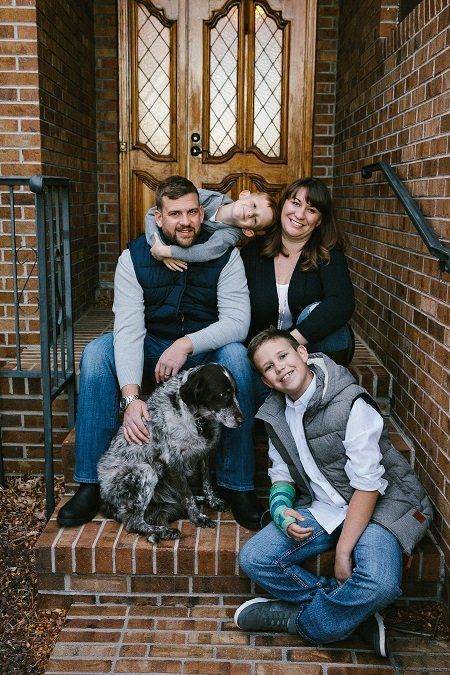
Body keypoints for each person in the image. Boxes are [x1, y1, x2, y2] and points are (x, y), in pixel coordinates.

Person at [57, 176, 264, 531]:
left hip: (202, 352)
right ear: (158, 217)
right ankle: (90, 483)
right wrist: (131, 397)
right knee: (95, 354)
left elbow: (236, 323)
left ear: (202, 213)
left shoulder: (225, 254)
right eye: (175, 214)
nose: (185, 221)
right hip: (151, 347)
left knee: (236, 357)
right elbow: (128, 328)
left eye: (192, 212)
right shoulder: (133, 258)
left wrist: (187, 344)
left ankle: (238, 485)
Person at [234, 327, 433, 657]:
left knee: (380, 583)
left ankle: (301, 622)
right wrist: (282, 510)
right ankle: (353, 612)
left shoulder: (350, 402)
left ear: (302, 353)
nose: (280, 367)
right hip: (326, 506)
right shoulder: (275, 412)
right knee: (255, 558)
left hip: (379, 506)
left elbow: (368, 486)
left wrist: (343, 552)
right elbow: (280, 471)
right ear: (266, 381)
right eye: (268, 367)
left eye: (283, 356)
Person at [240, 177, 355, 366]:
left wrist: (288, 343)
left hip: (313, 349)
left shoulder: (328, 253)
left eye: (311, 210)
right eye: (295, 203)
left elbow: (342, 302)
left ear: (319, 221)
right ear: (284, 203)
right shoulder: (252, 252)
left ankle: (323, 388)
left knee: (317, 312)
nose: (300, 214)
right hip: (263, 353)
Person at [148, 188, 276, 271]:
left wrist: (167, 251)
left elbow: (205, 252)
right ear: (244, 195)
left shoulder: (230, 235)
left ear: (248, 231)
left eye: (255, 220)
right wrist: (157, 247)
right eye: (253, 205)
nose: (249, 212)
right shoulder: (207, 197)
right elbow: (151, 214)